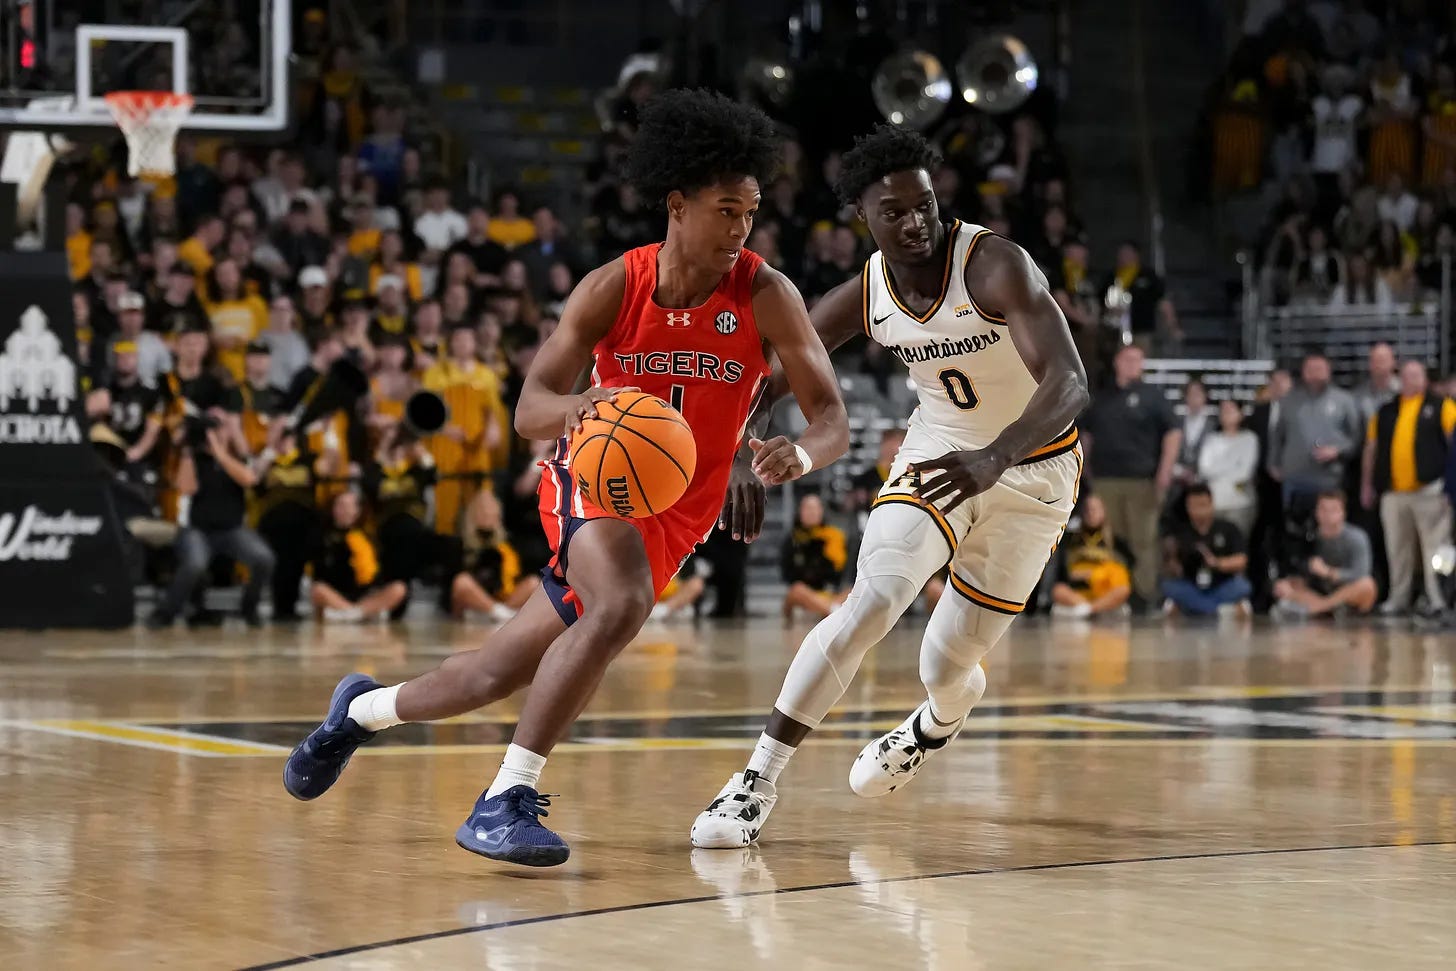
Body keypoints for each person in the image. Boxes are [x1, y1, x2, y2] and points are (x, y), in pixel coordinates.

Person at [283, 89, 849, 866]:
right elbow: (528, 409)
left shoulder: (765, 292)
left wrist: (799, 452)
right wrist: (582, 404)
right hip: (598, 482)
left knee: (489, 674)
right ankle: (505, 797)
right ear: (677, 205)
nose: (741, 228)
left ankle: (360, 711)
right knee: (620, 603)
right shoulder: (615, 286)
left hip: (678, 514)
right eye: (726, 209)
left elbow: (832, 416)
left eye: (751, 212)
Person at [690, 123, 1088, 849]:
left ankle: (933, 723)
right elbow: (765, 376)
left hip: (1034, 469)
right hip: (937, 456)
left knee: (948, 663)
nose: (915, 223)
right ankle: (755, 780)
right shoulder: (867, 291)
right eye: (894, 212)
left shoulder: (996, 266)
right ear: (862, 219)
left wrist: (997, 457)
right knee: (871, 603)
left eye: (925, 205)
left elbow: (1070, 381)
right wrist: (742, 453)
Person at [1361, 359, 1456, 616]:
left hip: (1431, 491)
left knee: (1436, 550)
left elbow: (1453, 443)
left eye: (1416, 375)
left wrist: (1451, 485)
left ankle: (1440, 599)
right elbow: (1371, 449)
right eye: (1405, 375)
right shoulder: (1385, 411)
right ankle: (1398, 598)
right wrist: (1366, 485)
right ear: (1398, 379)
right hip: (1393, 493)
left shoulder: (1441, 406)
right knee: (1397, 548)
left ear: (1424, 379)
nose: (1410, 380)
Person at [1272, 491, 1378, 619]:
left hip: (1346, 591)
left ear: (1342, 513)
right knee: (1285, 585)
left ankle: (1321, 607)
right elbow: (1300, 571)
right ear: (1316, 512)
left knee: (1367, 585)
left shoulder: (1356, 537)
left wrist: (1329, 572)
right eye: (1323, 509)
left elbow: (1361, 573)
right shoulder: (1310, 537)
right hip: (1319, 590)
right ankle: (1327, 608)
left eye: (1333, 510)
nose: (1327, 515)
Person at [310, 491, 408, 622]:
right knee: (318, 590)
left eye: (349, 506)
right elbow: (319, 574)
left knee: (399, 588)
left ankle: (352, 613)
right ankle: (360, 613)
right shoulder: (324, 537)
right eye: (340, 506)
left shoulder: (369, 536)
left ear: (357, 510)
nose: (344, 510)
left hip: (366, 593)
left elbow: (377, 572)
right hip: (338, 592)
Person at [1159, 482, 1251, 618]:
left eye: (1203, 505)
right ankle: (1216, 610)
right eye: (1194, 506)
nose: (1199, 511)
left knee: (1242, 586)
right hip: (1191, 584)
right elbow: (1172, 567)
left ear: (1211, 504)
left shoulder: (1228, 528)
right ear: (1187, 507)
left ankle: (1195, 609)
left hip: (1221, 584)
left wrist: (1216, 563)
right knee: (1169, 587)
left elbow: (1241, 560)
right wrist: (1174, 562)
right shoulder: (1180, 533)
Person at [1049, 492, 1134, 619]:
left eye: (1095, 509)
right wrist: (1073, 575)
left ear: (1103, 512)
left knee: (1124, 589)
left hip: (1103, 590)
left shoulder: (1112, 539)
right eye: (1088, 509)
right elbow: (1061, 568)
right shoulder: (1071, 538)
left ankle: (1089, 609)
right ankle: (1093, 608)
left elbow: (1130, 564)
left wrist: (1103, 572)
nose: (1091, 513)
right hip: (1078, 591)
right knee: (1058, 590)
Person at [780, 492, 848, 620]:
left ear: (821, 511)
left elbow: (837, 572)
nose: (811, 512)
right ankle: (833, 611)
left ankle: (829, 608)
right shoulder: (793, 538)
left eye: (815, 508)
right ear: (800, 511)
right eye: (807, 508)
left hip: (829, 593)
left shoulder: (833, 536)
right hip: (804, 593)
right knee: (797, 590)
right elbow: (787, 574)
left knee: (854, 590)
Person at [1197, 399, 1260, 538]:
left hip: (1240, 503)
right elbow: (1204, 469)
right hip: (1214, 503)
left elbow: (1244, 473)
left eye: (1231, 410)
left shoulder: (1249, 439)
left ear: (1240, 414)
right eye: (1223, 410)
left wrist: (1218, 469)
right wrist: (1232, 466)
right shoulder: (1211, 439)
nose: (1226, 414)